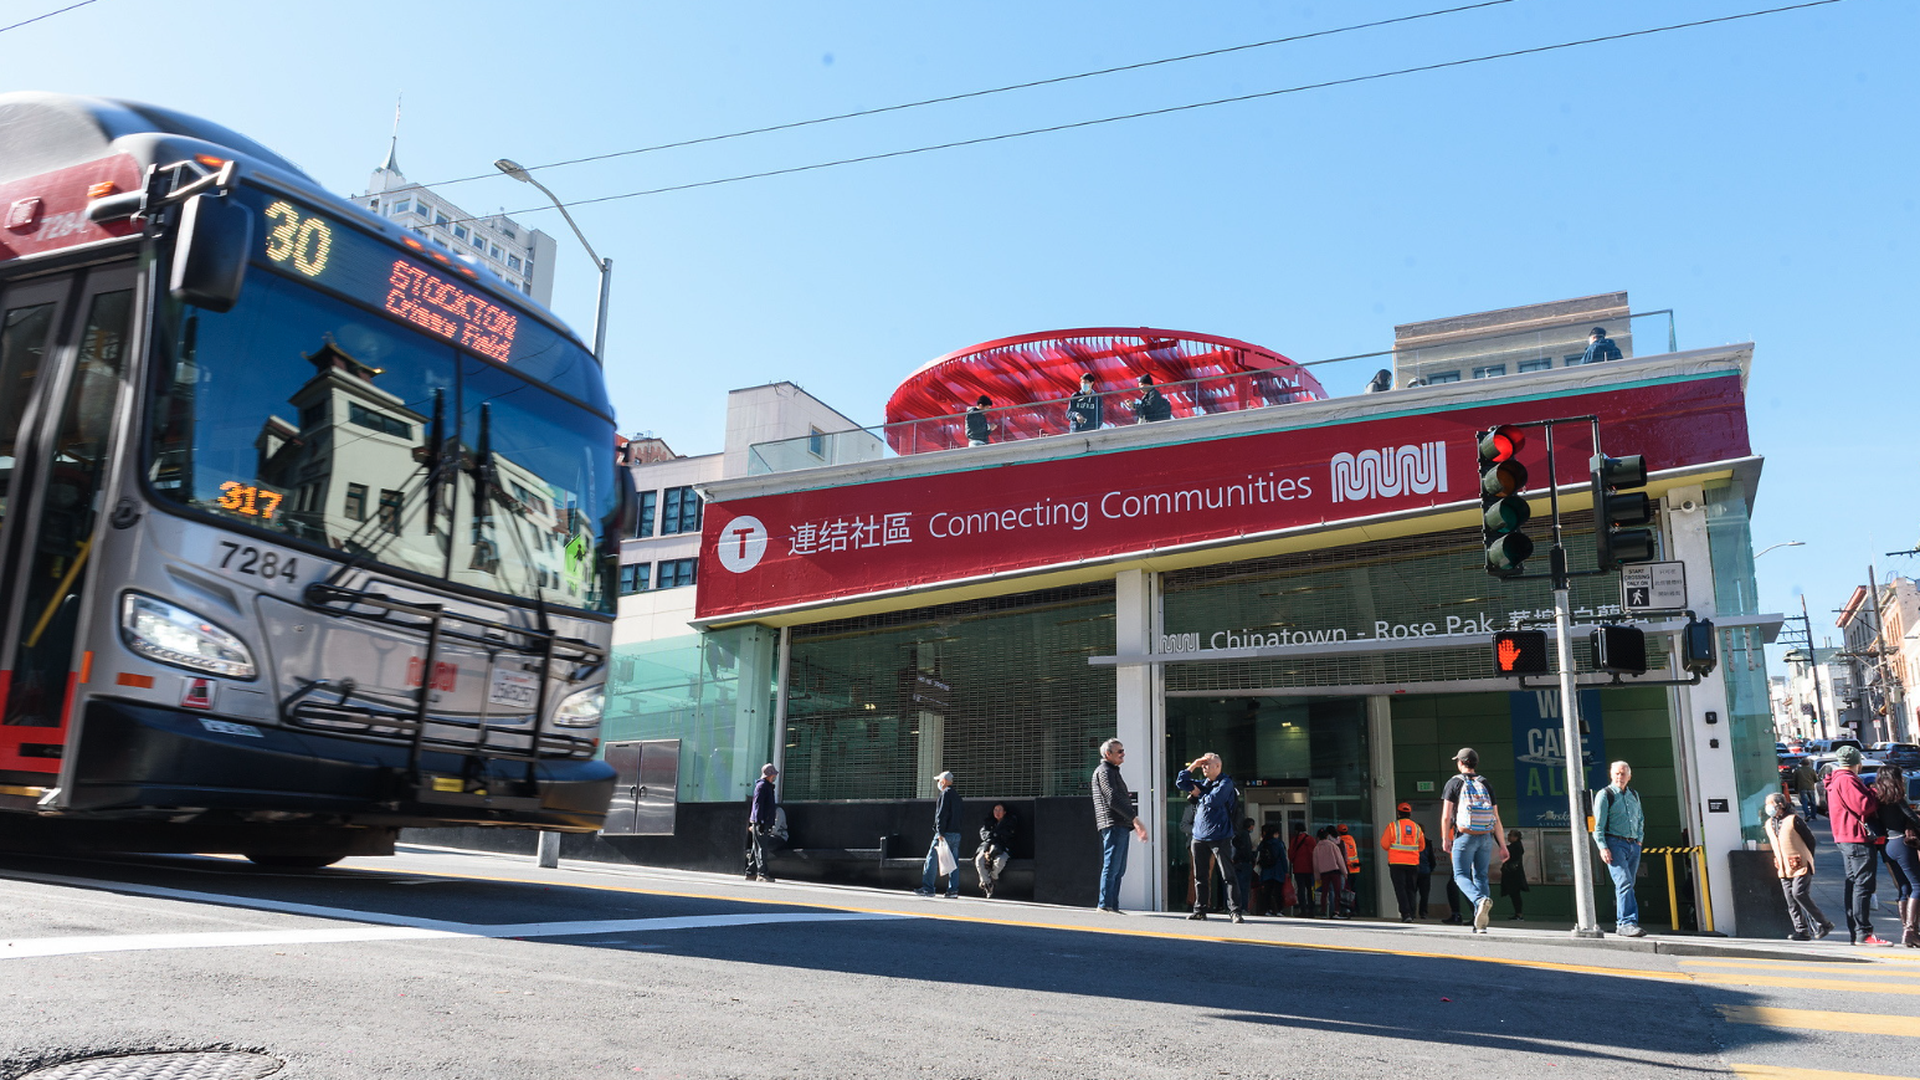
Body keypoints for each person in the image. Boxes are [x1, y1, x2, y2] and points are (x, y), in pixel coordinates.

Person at [1825, 746, 1892, 945]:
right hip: (1856, 838)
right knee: (1863, 884)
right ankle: (1863, 932)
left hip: (1846, 837)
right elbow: (1863, 806)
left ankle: (1857, 932)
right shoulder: (1847, 779)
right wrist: (1873, 793)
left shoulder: (1837, 779)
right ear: (1857, 763)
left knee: (1854, 884)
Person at [1441, 747, 1509, 934]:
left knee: (1460, 875)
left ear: (1461, 763)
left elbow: (1446, 816)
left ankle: (1479, 901)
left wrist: (1445, 838)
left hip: (1465, 836)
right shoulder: (1485, 783)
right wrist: (1502, 845)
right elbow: (1496, 817)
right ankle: (1481, 924)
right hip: (1485, 837)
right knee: (1480, 875)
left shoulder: (1454, 783)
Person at [1175, 753, 1246, 922]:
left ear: (1218, 767)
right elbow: (1181, 782)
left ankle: (1235, 911)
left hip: (1220, 835)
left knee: (1228, 875)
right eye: (1203, 765)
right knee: (1200, 876)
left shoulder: (1226, 783)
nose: (1204, 767)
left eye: (1208, 764)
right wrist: (1193, 765)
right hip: (1199, 836)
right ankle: (1200, 909)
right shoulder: (1205, 783)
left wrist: (1198, 793)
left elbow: (1214, 800)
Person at [1762, 791, 1833, 942]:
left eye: (1770, 805)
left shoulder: (1794, 820)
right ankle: (1801, 930)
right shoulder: (1769, 823)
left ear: (1780, 805)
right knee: (1790, 899)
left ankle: (1824, 923)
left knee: (1799, 892)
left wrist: (1808, 857)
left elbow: (1810, 839)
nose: (1768, 808)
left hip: (1800, 863)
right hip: (1783, 865)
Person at [1091, 738, 1149, 913]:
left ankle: (1112, 906)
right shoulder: (1105, 771)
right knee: (1112, 866)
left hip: (1119, 824)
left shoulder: (1112, 771)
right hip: (1113, 823)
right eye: (1119, 751)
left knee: (1119, 868)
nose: (1123, 754)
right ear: (1108, 754)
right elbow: (1113, 799)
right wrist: (1135, 819)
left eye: (1123, 750)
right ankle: (1105, 905)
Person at [1592, 760, 1646, 937]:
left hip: (1633, 844)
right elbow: (1597, 825)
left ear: (1629, 776)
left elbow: (1640, 819)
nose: (1619, 777)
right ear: (1611, 774)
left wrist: (1639, 840)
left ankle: (1629, 922)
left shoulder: (1634, 795)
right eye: (1616, 773)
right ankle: (1625, 923)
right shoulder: (1605, 795)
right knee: (1623, 882)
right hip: (1614, 843)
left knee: (1630, 884)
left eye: (1623, 774)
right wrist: (1602, 847)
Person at [1871, 764, 1920, 947]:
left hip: (1889, 845)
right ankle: (1911, 931)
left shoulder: (1879, 800)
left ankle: (1907, 930)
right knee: (1918, 886)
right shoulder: (1897, 800)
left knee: (1904, 887)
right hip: (1902, 844)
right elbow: (1914, 819)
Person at [915, 770, 962, 898]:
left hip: (944, 833)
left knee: (932, 859)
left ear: (944, 781)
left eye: (940, 780)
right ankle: (953, 890)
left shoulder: (944, 794)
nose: (939, 783)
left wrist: (940, 832)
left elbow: (941, 815)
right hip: (956, 833)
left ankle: (928, 888)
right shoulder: (957, 796)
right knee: (953, 863)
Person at [1380, 802, 1425, 922]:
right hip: (1413, 863)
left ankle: (1406, 914)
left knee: (1400, 889)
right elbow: (1422, 847)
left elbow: (1384, 845)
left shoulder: (1392, 826)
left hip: (1396, 863)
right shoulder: (1417, 828)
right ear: (1409, 814)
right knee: (1411, 888)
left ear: (1398, 813)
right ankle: (1412, 913)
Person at [974, 802, 1019, 899]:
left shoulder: (1010, 822)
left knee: (1000, 861)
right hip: (987, 846)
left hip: (1002, 847)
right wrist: (991, 839)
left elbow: (1007, 835)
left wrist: (994, 835)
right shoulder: (989, 822)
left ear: (1005, 812)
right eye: (995, 810)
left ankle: (992, 879)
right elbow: (984, 833)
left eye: (1000, 810)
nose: (997, 812)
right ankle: (988, 883)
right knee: (979, 860)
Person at [745, 763, 780, 882]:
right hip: (761, 821)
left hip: (761, 821)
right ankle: (762, 873)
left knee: (757, 847)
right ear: (769, 775)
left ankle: (750, 872)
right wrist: (760, 821)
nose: (774, 776)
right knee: (762, 848)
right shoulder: (763, 787)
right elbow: (758, 806)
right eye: (773, 774)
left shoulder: (766, 786)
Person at [1254, 823, 1290, 916]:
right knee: (1278, 892)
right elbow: (1283, 857)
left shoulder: (1263, 843)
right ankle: (1278, 910)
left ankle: (1267, 909)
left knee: (1267, 892)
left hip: (1266, 871)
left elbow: (1258, 856)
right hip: (1278, 871)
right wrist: (1286, 870)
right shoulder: (1279, 843)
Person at [1313, 827, 1346, 918]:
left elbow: (1315, 864)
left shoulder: (1316, 848)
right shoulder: (1332, 846)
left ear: (1318, 837)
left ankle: (1324, 911)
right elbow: (1339, 860)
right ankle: (1336, 911)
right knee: (1337, 892)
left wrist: (1317, 877)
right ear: (1327, 836)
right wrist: (1345, 872)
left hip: (1324, 873)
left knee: (1325, 892)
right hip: (1335, 871)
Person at [1289, 827, 1318, 918]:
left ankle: (1303, 910)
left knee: (1301, 890)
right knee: (1310, 889)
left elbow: (1290, 853)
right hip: (1309, 868)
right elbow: (1314, 853)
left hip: (1298, 868)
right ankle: (1311, 909)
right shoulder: (1311, 840)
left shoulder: (1295, 840)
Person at [1501, 830, 1530, 920]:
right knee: (1514, 895)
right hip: (1514, 875)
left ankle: (1519, 914)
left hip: (1514, 876)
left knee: (1515, 895)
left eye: (1510, 835)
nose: (1508, 837)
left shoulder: (1516, 847)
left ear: (1516, 837)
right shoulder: (1516, 846)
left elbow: (1508, 852)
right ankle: (1518, 913)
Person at [1232, 817, 1256, 916]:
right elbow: (1246, 851)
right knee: (1244, 887)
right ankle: (1243, 908)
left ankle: (1236, 906)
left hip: (1237, 863)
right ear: (1250, 826)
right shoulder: (1245, 835)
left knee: (1238, 886)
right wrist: (1252, 857)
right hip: (1244, 863)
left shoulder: (1237, 835)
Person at [1794, 757, 1821, 821]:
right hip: (1810, 787)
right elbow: (1816, 779)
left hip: (1802, 787)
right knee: (1813, 802)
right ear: (1808, 764)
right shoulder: (1811, 770)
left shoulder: (1798, 770)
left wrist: (1796, 789)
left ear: (1801, 764)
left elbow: (1795, 780)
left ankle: (1807, 814)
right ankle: (1813, 815)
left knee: (1804, 802)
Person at [1416, 834, 1436, 918]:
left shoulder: (1412, 842)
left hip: (1414, 870)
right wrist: (1430, 869)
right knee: (1424, 894)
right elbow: (1432, 859)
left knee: (1411, 892)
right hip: (1425, 871)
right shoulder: (1427, 843)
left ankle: (1411, 912)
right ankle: (1423, 912)